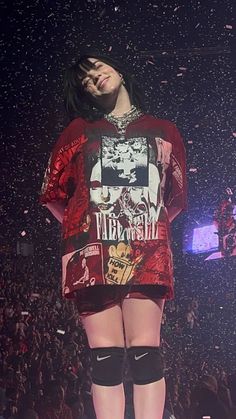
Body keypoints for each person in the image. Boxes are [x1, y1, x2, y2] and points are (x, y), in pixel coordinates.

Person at [40, 49, 187, 419]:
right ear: (83, 94)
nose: (94, 78)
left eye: (97, 68)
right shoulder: (77, 131)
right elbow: (53, 195)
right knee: (105, 357)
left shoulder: (165, 131)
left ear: (117, 66)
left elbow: (175, 199)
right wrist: (82, 229)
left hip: (148, 251)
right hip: (90, 255)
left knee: (146, 353)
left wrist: (143, 231)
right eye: (85, 80)